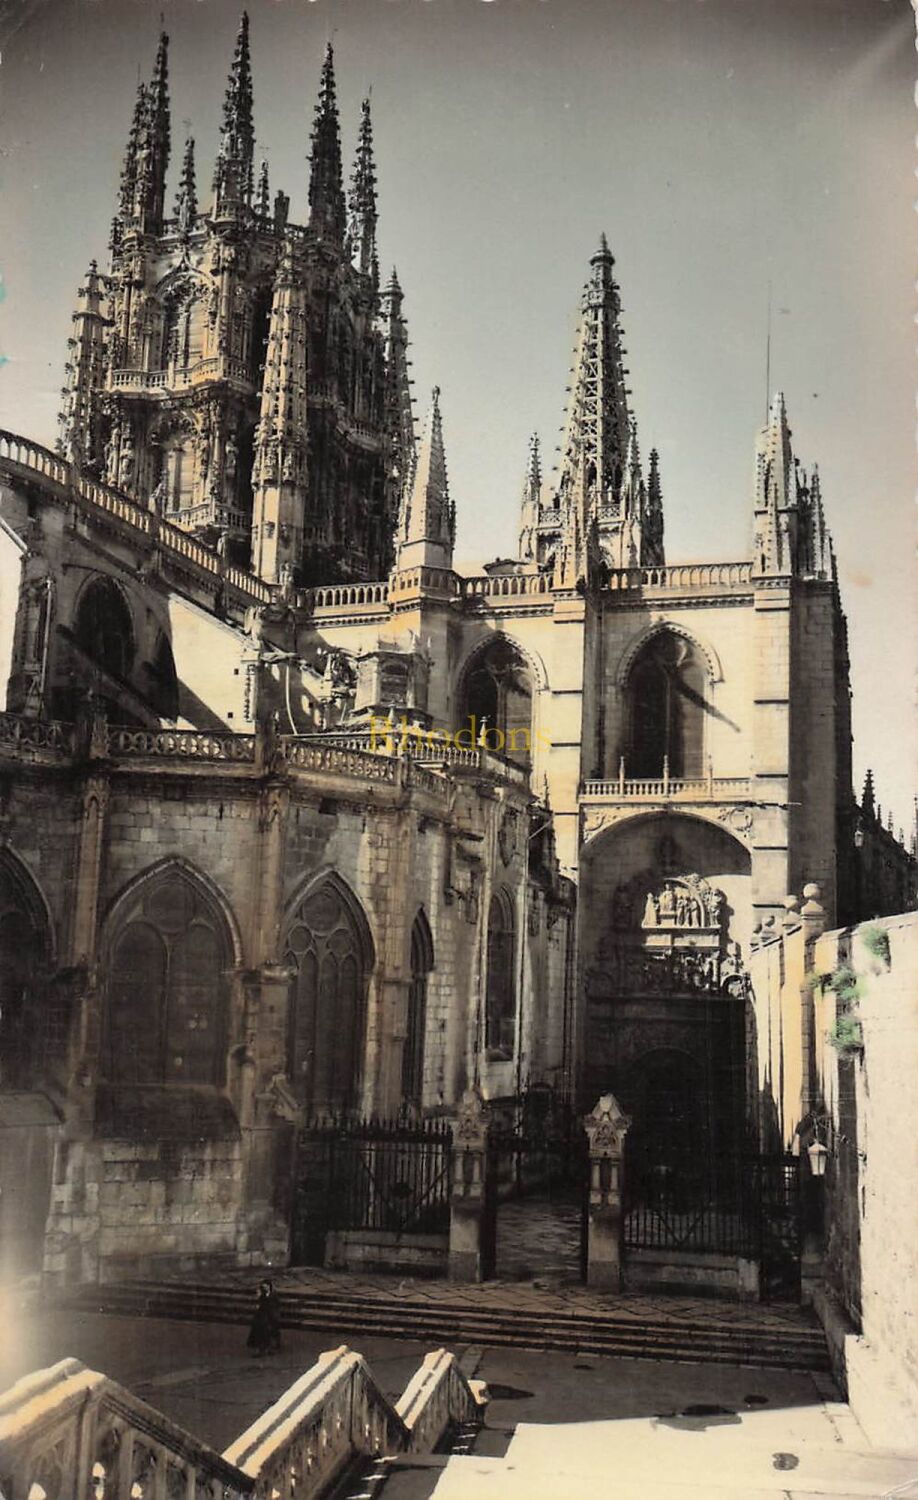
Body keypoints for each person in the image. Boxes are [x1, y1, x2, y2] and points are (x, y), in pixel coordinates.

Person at [246, 1278, 282, 1356]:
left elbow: (275, 1306)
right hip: (263, 1316)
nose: (265, 1288)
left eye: (266, 1287)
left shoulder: (272, 1295)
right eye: (264, 1287)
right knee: (260, 1330)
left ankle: (267, 1348)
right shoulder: (263, 1296)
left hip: (270, 1316)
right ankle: (263, 1348)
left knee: (266, 1330)